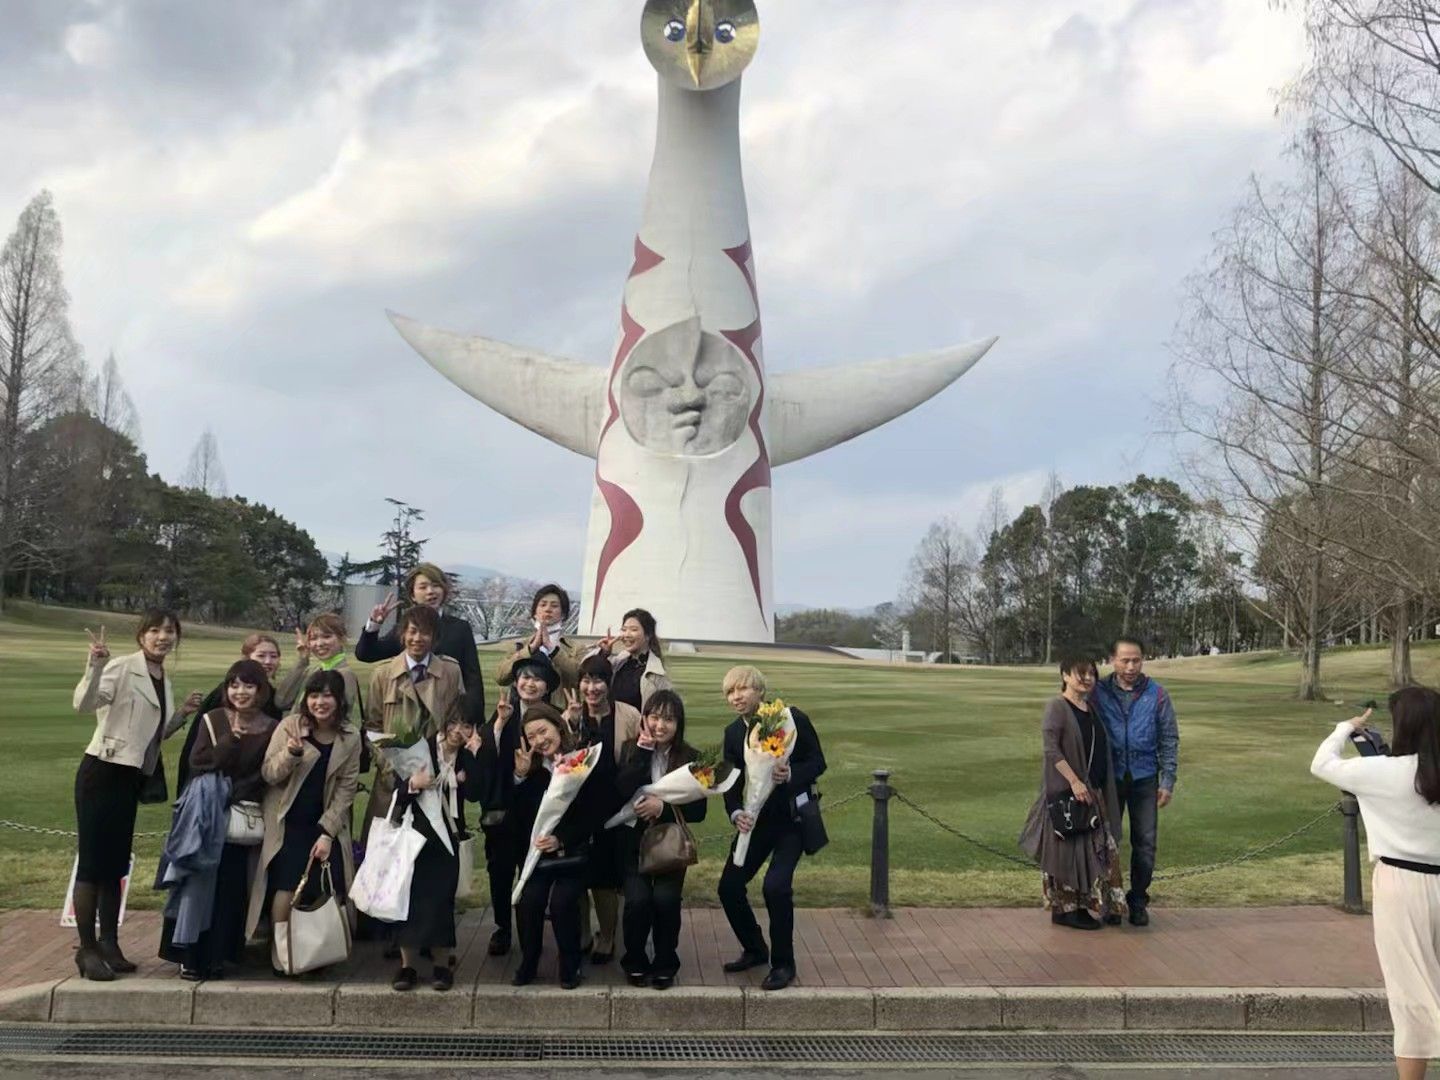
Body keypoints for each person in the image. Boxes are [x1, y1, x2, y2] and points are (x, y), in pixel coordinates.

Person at [1312, 689, 1440, 1079]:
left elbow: (1322, 763)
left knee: (1410, 994)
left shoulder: (1382, 772)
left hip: (1401, 884)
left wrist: (1344, 728)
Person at [69, 610, 191, 980]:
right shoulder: (122, 667)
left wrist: (181, 715)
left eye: (169, 631)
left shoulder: (163, 678)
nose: (163, 637)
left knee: (115, 865)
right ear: (141, 636)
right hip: (102, 772)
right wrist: (94, 665)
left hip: (129, 779)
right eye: (155, 630)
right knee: (92, 865)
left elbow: (150, 734)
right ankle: (87, 950)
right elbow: (84, 703)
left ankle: (110, 943)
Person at [716, 665, 827, 992]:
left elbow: (817, 762)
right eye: (730, 692)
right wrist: (736, 812)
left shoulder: (791, 720)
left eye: (743, 689)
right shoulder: (733, 733)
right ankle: (754, 948)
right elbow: (730, 783)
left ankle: (783, 964)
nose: (736, 697)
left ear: (760, 691)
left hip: (791, 821)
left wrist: (791, 774)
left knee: (776, 888)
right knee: (729, 887)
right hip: (755, 822)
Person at [249, 669, 362, 974]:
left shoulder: (350, 737)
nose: (320, 702)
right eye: (314, 695)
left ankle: (316, 950)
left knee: (324, 884)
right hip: (289, 821)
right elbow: (269, 774)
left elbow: (346, 788)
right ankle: (282, 952)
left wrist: (327, 832)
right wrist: (292, 754)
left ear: (339, 700)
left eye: (327, 696)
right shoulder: (290, 727)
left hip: (323, 821)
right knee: (287, 885)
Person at [171, 659, 279, 979]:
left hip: (241, 815)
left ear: (261, 690)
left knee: (231, 888)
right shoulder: (214, 719)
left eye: (248, 685)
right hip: (208, 814)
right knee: (201, 884)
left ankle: (220, 954)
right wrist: (231, 740)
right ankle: (192, 956)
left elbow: (265, 773)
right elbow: (199, 763)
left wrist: (238, 791)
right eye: (234, 685)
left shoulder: (271, 727)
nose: (240, 692)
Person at [1018, 656, 1127, 931]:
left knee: (1098, 849)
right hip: (1069, 795)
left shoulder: (1091, 709)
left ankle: (1091, 905)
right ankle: (1067, 909)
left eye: (1091, 673)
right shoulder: (1058, 707)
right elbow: (1051, 749)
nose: (1088, 678)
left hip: (1094, 794)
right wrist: (1075, 781)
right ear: (1065, 675)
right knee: (1069, 851)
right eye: (1081, 673)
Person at [616, 690, 705, 989]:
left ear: (679, 724)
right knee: (638, 901)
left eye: (669, 719)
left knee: (666, 900)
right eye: (654, 717)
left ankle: (666, 962)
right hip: (634, 842)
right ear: (644, 718)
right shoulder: (630, 749)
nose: (660, 725)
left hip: (670, 843)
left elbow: (700, 810)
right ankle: (635, 960)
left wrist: (662, 808)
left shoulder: (690, 757)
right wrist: (643, 752)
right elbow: (621, 790)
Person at [389, 710, 482, 992]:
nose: (458, 730)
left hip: (448, 838)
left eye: (466, 724)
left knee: (442, 901)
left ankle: (442, 965)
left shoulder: (467, 755)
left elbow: (476, 794)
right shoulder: (421, 751)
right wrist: (412, 785)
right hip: (416, 836)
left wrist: (476, 757)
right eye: (453, 722)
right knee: (412, 899)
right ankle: (407, 966)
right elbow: (397, 794)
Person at [508, 704, 599, 989]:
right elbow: (519, 817)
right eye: (531, 736)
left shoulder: (580, 763)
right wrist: (520, 777)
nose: (539, 740)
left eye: (543, 731)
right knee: (529, 901)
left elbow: (592, 814)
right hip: (539, 857)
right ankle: (529, 961)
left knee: (561, 902)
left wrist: (561, 838)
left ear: (558, 727)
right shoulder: (531, 769)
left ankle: (570, 964)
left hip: (573, 854)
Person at [476, 653, 561, 957]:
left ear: (547, 686)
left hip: (538, 812)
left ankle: (530, 932)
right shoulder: (505, 714)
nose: (530, 683)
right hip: (504, 811)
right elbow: (487, 760)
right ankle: (502, 928)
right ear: (515, 682)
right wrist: (499, 725)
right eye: (525, 677)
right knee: (500, 874)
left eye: (537, 678)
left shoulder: (556, 717)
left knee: (533, 876)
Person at [1091, 636, 1179, 927]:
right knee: (1108, 841)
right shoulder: (1098, 692)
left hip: (1144, 778)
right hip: (1110, 778)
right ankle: (1111, 901)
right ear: (1112, 660)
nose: (1131, 667)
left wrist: (1167, 780)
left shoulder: (1158, 694)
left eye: (1136, 660)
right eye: (1125, 660)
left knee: (1145, 843)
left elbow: (1169, 739)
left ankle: (1138, 900)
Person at [363, 605, 465, 841]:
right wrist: (391, 766)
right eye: (412, 631)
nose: (417, 638)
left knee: (433, 848)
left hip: (436, 777)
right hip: (392, 777)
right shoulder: (383, 674)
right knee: (388, 848)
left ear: (435, 637)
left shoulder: (450, 672)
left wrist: (444, 762)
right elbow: (373, 726)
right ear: (402, 634)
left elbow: (455, 720)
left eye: (425, 633)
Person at [566, 652, 641, 964]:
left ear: (609, 684)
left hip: (614, 810)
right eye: (586, 680)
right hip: (577, 809)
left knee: (604, 879)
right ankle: (584, 933)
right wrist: (571, 725)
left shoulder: (628, 715)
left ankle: (608, 937)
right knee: (577, 876)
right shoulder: (571, 715)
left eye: (598, 680)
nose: (592, 688)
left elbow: (638, 759)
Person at [355, 562, 485, 725]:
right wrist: (374, 624)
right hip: (409, 713)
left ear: (444, 591)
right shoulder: (406, 629)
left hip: (446, 716)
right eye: (423, 587)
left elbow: (472, 678)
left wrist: (473, 721)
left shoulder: (460, 628)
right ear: (412, 595)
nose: (430, 591)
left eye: (436, 585)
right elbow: (366, 654)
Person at [176, 633, 283, 796]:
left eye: (273, 656)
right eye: (261, 655)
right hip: (215, 789)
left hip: (250, 793)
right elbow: (198, 750)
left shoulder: (274, 698)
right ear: (246, 658)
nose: (268, 661)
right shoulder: (225, 697)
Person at [496, 583, 581, 698]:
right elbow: (501, 678)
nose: (548, 609)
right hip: (523, 707)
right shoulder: (519, 646)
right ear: (534, 612)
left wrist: (553, 651)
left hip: (559, 708)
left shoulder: (576, 649)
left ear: (563, 614)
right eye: (543, 605)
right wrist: (529, 650)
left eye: (554, 606)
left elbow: (579, 679)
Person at [274, 614, 363, 716]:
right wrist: (302, 660)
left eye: (326, 636)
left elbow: (336, 718)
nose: (319, 643)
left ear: (342, 639)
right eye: (313, 638)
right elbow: (281, 702)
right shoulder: (313, 671)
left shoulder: (344, 675)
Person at [591, 608, 672, 713]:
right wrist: (603, 653)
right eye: (624, 630)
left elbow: (662, 713)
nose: (627, 635)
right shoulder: (619, 662)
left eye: (633, 630)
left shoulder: (657, 673)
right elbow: (588, 672)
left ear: (648, 635)